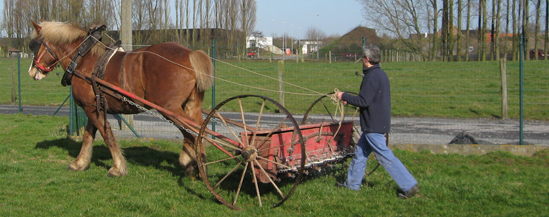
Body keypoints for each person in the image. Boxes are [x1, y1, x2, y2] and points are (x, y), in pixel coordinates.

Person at [335, 45, 419, 199]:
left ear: (366, 59)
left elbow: (364, 100)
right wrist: (350, 101)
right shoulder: (380, 74)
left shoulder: (371, 77)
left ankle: (409, 185)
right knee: (360, 153)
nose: (361, 60)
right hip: (375, 122)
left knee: (384, 156)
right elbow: (369, 101)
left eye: (362, 58)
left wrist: (344, 95)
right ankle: (351, 185)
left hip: (373, 125)